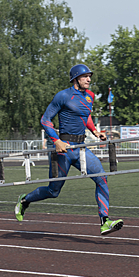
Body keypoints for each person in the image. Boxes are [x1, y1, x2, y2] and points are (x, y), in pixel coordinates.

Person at [15, 64, 124, 235]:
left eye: (90, 76)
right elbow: (45, 120)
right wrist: (56, 140)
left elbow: (85, 114)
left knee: (102, 179)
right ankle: (25, 200)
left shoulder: (90, 96)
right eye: (85, 76)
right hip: (63, 148)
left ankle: (105, 221)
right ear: (76, 79)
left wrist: (95, 131)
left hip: (81, 148)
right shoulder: (63, 96)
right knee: (53, 191)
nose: (89, 79)